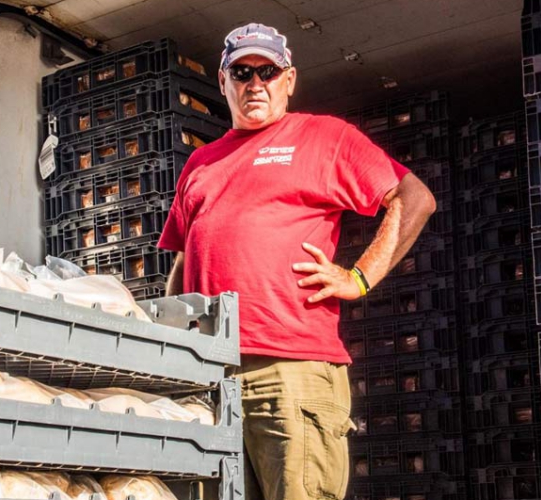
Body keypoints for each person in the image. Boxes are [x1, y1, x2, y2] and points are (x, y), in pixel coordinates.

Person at [157, 23, 436, 500]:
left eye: (267, 72)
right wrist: (169, 347)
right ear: (223, 82)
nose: (255, 84)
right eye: (241, 73)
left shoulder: (323, 137)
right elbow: (186, 260)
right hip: (209, 375)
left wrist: (359, 278)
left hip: (290, 371)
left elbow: (414, 199)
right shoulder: (200, 164)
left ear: (289, 80)